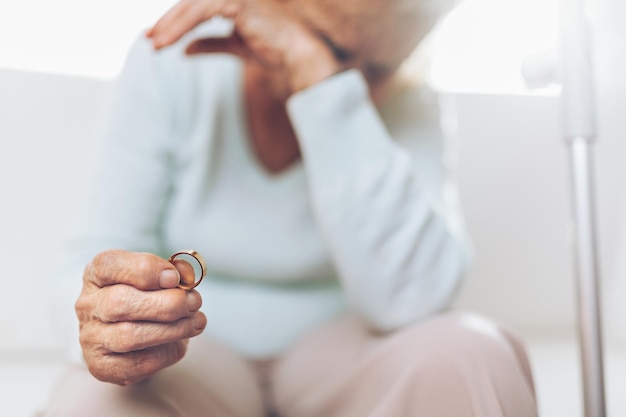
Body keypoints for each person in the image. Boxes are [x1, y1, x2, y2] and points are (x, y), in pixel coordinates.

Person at [44, 0, 539, 416]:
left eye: (381, 67)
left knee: (472, 353)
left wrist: (321, 80)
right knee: (94, 398)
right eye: (337, 50)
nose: (360, 86)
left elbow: (413, 300)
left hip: (346, 350)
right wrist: (113, 322)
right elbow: (92, 259)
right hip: (193, 351)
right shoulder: (172, 62)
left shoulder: (410, 99)